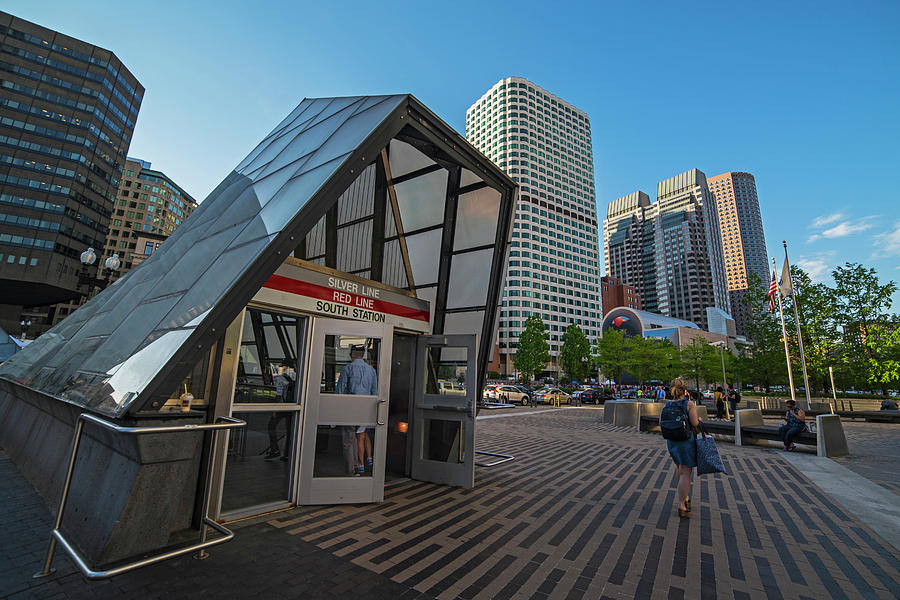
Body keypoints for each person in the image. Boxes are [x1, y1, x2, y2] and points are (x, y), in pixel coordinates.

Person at [335, 345, 378, 475]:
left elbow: (340, 391)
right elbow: (374, 392)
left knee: (348, 440)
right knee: (361, 436)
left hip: (350, 408)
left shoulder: (347, 368)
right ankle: (361, 465)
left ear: (352, 354)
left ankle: (351, 470)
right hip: (365, 409)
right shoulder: (371, 370)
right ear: (363, 355)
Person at [663, 379, 700, 518]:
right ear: (684, 391)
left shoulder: (667, 405)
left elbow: (662, 421)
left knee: (679, 468)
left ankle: (684, 497)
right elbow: (695, 423)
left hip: (672, 441)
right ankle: (682, 504)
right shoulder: (689, 404)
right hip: (685, 441)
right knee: (686, 472)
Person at [265, 366, 295, 461]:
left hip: (282, 407)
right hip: (292, 406)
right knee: (289, 430)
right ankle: (287, 453)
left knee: (271, 426)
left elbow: (278, 395)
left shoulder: (279, 379)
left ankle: (275, 449)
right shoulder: (292, 377)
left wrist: (274, 410)